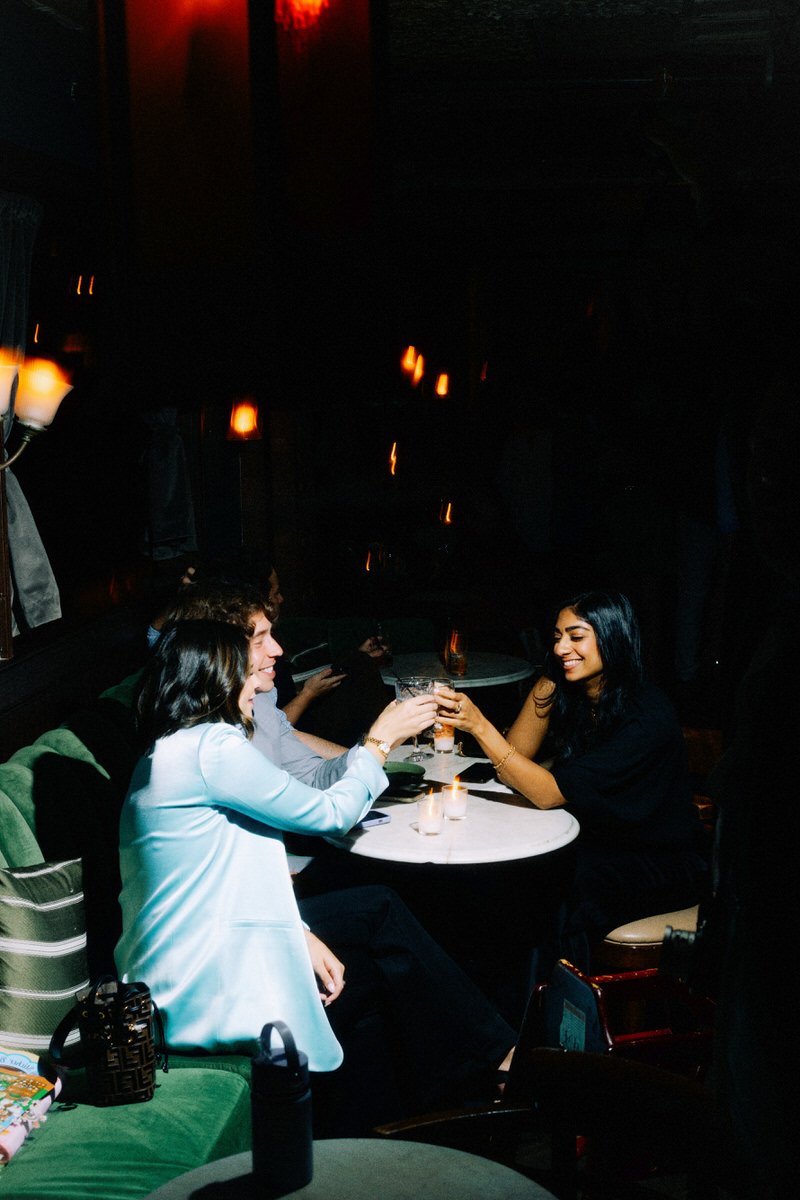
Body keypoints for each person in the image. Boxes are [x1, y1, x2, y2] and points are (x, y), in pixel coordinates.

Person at [115, 619, 515, 1132]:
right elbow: (327, 815)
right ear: (219, 672)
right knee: (378, 920)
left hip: (183, 959)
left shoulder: (174, 748)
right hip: (197, 980)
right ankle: (496, 1066)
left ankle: (391, 1129)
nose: (268, 661)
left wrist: (298, 932)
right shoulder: (211, 748)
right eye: (253, 652)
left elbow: (217, 875)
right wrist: (380, 740)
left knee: (366, 955)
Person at [438, 590, 707, 976]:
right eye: (557, 636)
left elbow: (547, 793)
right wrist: (552, 674)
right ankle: (501, 1003)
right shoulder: (581, 696)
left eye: (576, 637)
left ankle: (559, 1023)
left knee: (557, 892)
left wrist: (478, 724)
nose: (562, 646)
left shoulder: (645, 716)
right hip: (600, 840)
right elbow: (514, 757)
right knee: (509, 877)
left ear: (612, 638)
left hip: (660, 860)